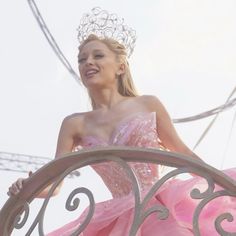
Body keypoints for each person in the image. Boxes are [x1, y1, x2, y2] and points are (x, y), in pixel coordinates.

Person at [8, 7, 236, 236]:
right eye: (81, 59)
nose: (87, 62)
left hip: (161, 206)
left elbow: (183, 153)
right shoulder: (74, 124)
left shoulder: (148, 104)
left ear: (121, 66)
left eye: (98, 55)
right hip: (117, 217)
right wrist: (28, 188)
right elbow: (55, 184)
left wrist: (223, 186)